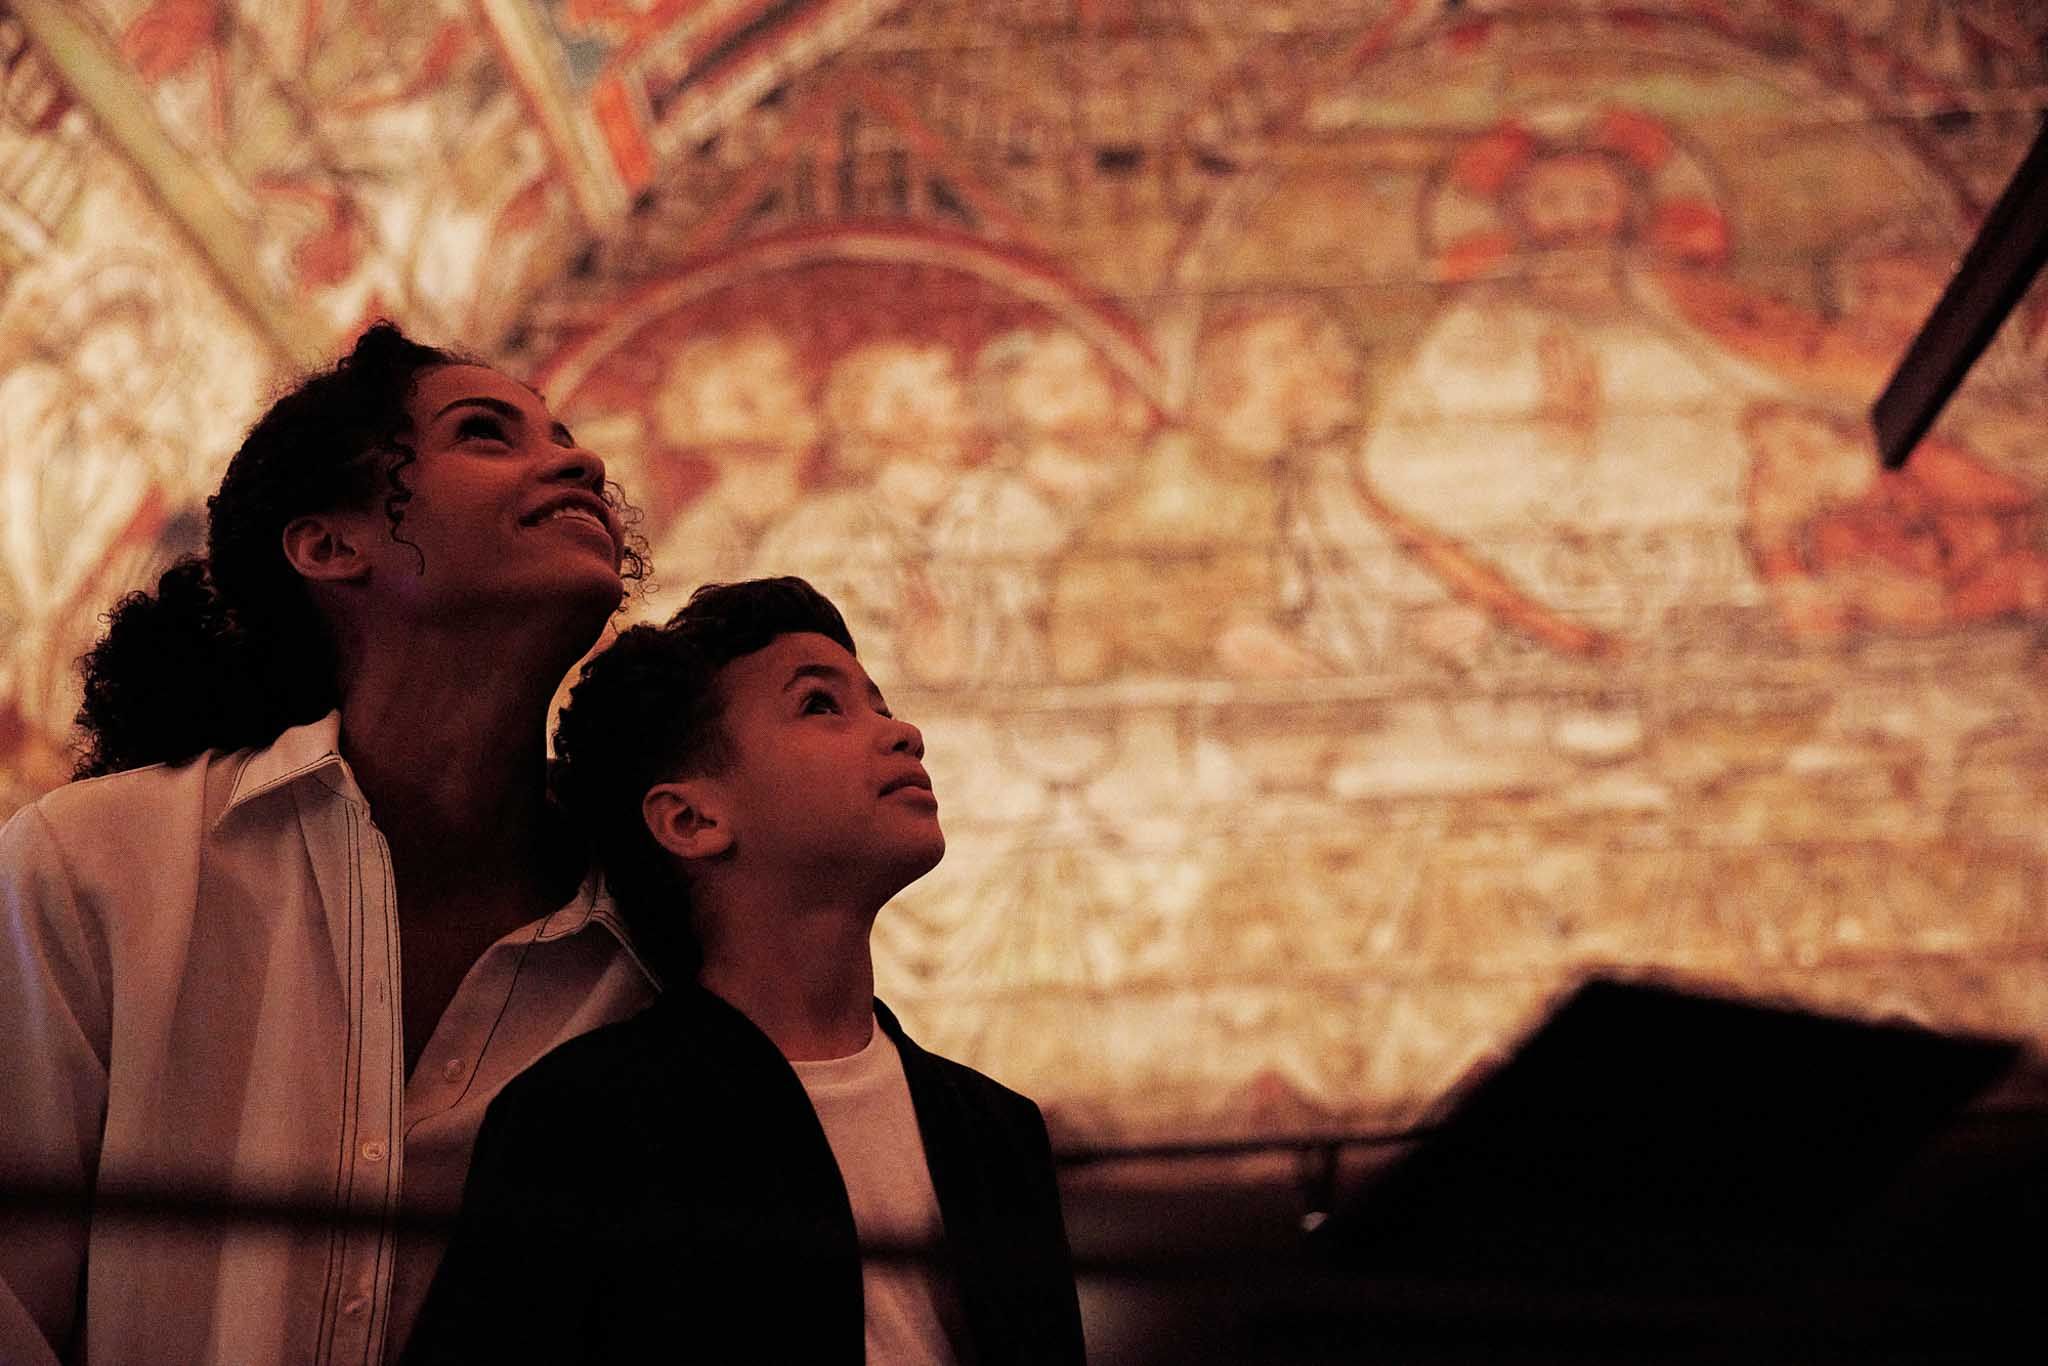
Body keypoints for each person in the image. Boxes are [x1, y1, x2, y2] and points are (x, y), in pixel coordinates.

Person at [0, 322, 660, 1364]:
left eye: (567, 438)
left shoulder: (656, 940)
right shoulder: (100, 866)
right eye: (488, 434)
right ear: (329, 544)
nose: (580, 461)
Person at [404, 577, 1086, 1365]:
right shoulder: (585, 1123)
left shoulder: (994, 1129)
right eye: (821, 706)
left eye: (881, 702)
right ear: (691, 820)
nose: (905, 733)